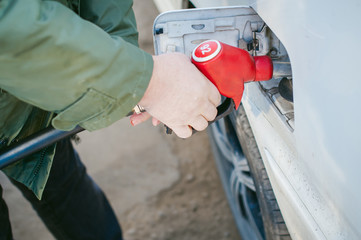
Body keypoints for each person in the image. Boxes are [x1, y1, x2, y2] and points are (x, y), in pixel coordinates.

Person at [0, 0, 220, 239]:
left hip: (30, 107)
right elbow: (9, 22)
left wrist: (124, 67)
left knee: (61, 181)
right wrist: (148, 83)